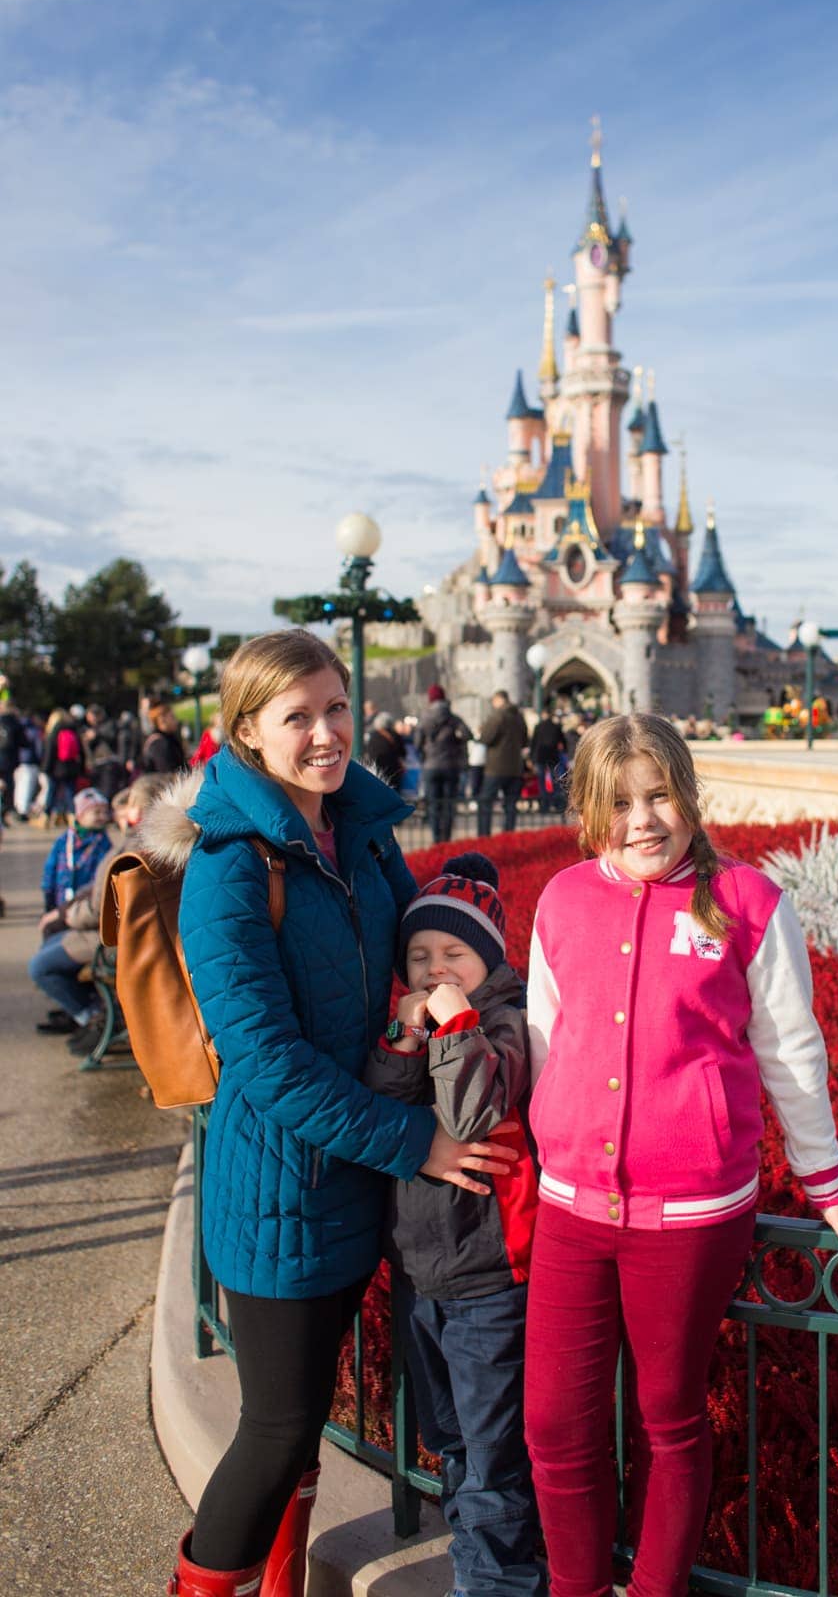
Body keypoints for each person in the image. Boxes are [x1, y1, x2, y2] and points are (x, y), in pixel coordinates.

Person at [161, 629, 519, 1597]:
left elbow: (416, 954)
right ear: (246, 732)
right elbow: (266, 1063)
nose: (325, 734)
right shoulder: (231, 868)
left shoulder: (355, 832)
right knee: (276, 1427)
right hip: (282, 1191)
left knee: (305, 1419)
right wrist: (418, 1140)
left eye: (335, 709)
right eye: (297, 717)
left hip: (357, 1185)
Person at [522, 712, 838, 1597]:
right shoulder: (562, 899)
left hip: (689, 1215)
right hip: (570, 1205)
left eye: (660, 795)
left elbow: (792, 1049)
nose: (643, 820)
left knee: (666, 1417)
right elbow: (541, 1037)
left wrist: (825, 1179)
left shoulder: (748, 901)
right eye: (619, 803)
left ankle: (655, 1590)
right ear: (590, 814)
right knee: (557, 1423)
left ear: (688, 795)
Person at [363, 851, 543, 1597]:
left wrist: (452, 1021)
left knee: (494, 1451)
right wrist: (405, 1036)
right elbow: (386, 1097)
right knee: (453, 1440)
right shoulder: (433, 1019)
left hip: (489, 1278)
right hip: (421, 1272)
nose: (437, 968)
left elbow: (471, 1110)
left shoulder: (504, 1022)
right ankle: (481, 1562)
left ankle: (496, 1583)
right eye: (421, 956)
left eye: (454, 954)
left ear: (488, 959)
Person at [43, 773, 170, 1057]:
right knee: (50, 939)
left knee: (41, 965)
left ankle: (92, 1015)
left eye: (130, 804)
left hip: (113, 939)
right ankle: (90, 1012)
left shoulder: (135, 845)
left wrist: (65, 916)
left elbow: (101, 907)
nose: (121, 811)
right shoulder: (134, 839)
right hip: (115, 932)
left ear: (140, 808)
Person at [29, 788, 116, 1035]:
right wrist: (50, 902)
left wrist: (69, 914)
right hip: (69, 906)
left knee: (45, 962)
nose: (101, 817)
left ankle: (88, 1012)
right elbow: (51, 870)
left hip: (85, 916)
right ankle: (72, 1003)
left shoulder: (105, 845)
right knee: (48, 933)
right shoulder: (65, 841)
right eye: (94, 812)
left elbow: (98, 895)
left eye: (104, 812)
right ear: (78, 815)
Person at [414, 684, 472, 843]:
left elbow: (417, 743)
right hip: (451, 766)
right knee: (448, 804)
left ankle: (436, 838)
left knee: (433, 804)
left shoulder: (424, 718)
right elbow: (468, 734)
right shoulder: (453, 718)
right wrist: (456, 741)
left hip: (431, 766)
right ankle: (446, 838)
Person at [477, 690, 528, 837]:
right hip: (515, 767)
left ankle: (484, 835)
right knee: (510, 805)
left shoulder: (497, 715)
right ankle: (508, 835)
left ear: (498, 700)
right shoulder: (519, 716)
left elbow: (486, 738)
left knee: (486, 803)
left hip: (496, 767)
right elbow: (525, 741)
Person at [40, 707, 86, 824]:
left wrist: (45, 768)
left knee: (52, 792)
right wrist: (81, 768)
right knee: (70, 792)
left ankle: (46, 817)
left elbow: (50, 751)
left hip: (56, 767)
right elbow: (81, 751)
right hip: (71, 767)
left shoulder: (54, 731)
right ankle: (73, 817)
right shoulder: (73, 730)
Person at [529, 701, 567, 814]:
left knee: (541, 781)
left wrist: (532, 758)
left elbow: (534, 743)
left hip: (541, 757)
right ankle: (557, 804)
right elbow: (563, 742)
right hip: (553, 756)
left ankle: (544, 805)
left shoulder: (538, 727)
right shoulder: (556, 727)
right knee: (555, 781)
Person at [139, 701, 188, 776]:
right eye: (172, 717)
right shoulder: (160, 744)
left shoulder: (168, 739)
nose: (176, 720)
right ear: (162, 720)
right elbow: (169, 774)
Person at [363, 711, 406, 788]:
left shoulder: (373, 736)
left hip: (377, 770)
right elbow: (403, 753)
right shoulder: (395, 735)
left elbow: (368, 751)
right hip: (394, 771)